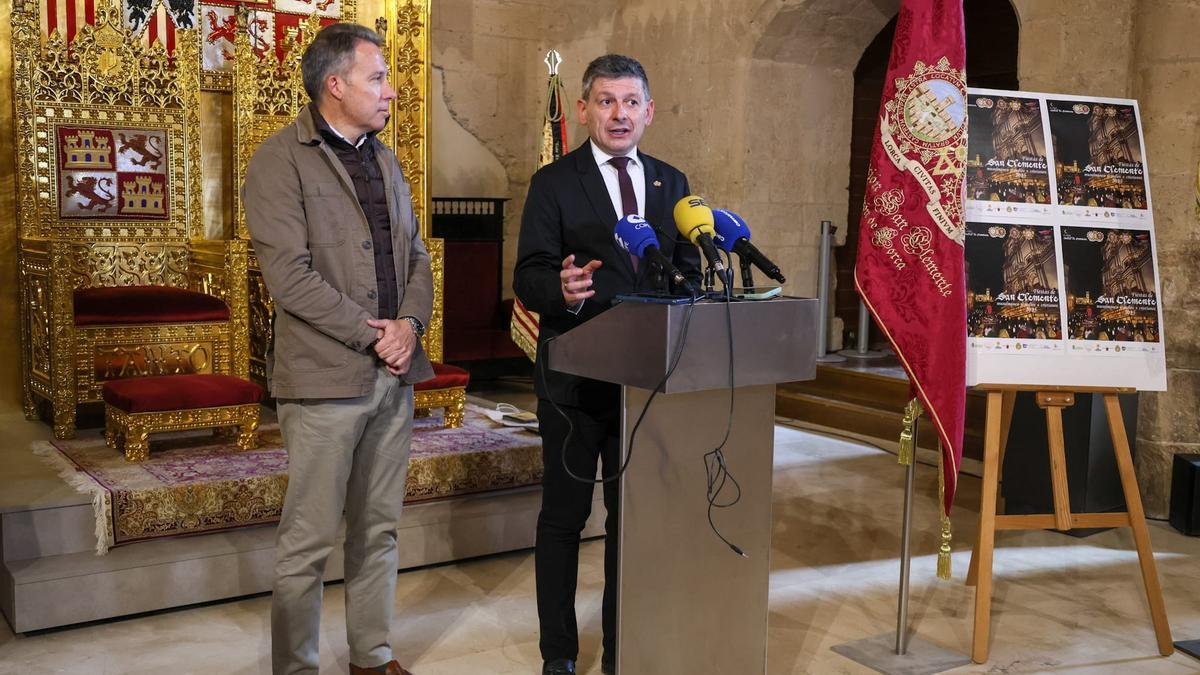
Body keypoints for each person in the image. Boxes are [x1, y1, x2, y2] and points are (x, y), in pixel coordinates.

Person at [243, 22, 433, 675]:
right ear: (335, 85)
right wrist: (375, 332)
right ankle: (296, 667)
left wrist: (409, 323)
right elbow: (290, 277)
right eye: (377, 78)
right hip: (325, 377)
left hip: (393, 374)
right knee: (308, 540)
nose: (391, 91)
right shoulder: (279, 160)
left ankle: (372, 657)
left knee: (378, 527)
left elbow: (416, 255)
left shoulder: (386, 159)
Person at [513, 54, 702, 675]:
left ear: (649, 112)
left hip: (645, 385)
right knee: (563, 520)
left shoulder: (672, 183)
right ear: (583, 109)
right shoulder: (554, 182)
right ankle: (559, 655)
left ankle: (624, 648)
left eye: (630, 102)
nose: (619, 114)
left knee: (632, 523)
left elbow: (688, 272)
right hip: (574, 381)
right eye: (606, 101)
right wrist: (560, 289)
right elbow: (529, 274)